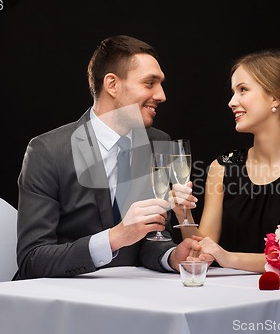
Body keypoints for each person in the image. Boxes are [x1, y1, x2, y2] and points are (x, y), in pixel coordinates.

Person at [14, 35, 201, 279]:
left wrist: (171, 256)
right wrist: (115, 238)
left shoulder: (159, 142)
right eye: (149, 83)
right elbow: (32, 259)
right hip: (62, 302)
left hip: (134, 297)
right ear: (112, 84)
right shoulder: (47, 151)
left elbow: (155, 236)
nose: (162, 95)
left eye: (161, 84)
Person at [171, 50, 280, 273]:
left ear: (275, 96)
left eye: (243, 90)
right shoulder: (222, 168)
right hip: (228, 295)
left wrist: (228, 258)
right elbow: (202, 252)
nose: (231, 102)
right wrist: (184, 213)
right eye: (233, 92)